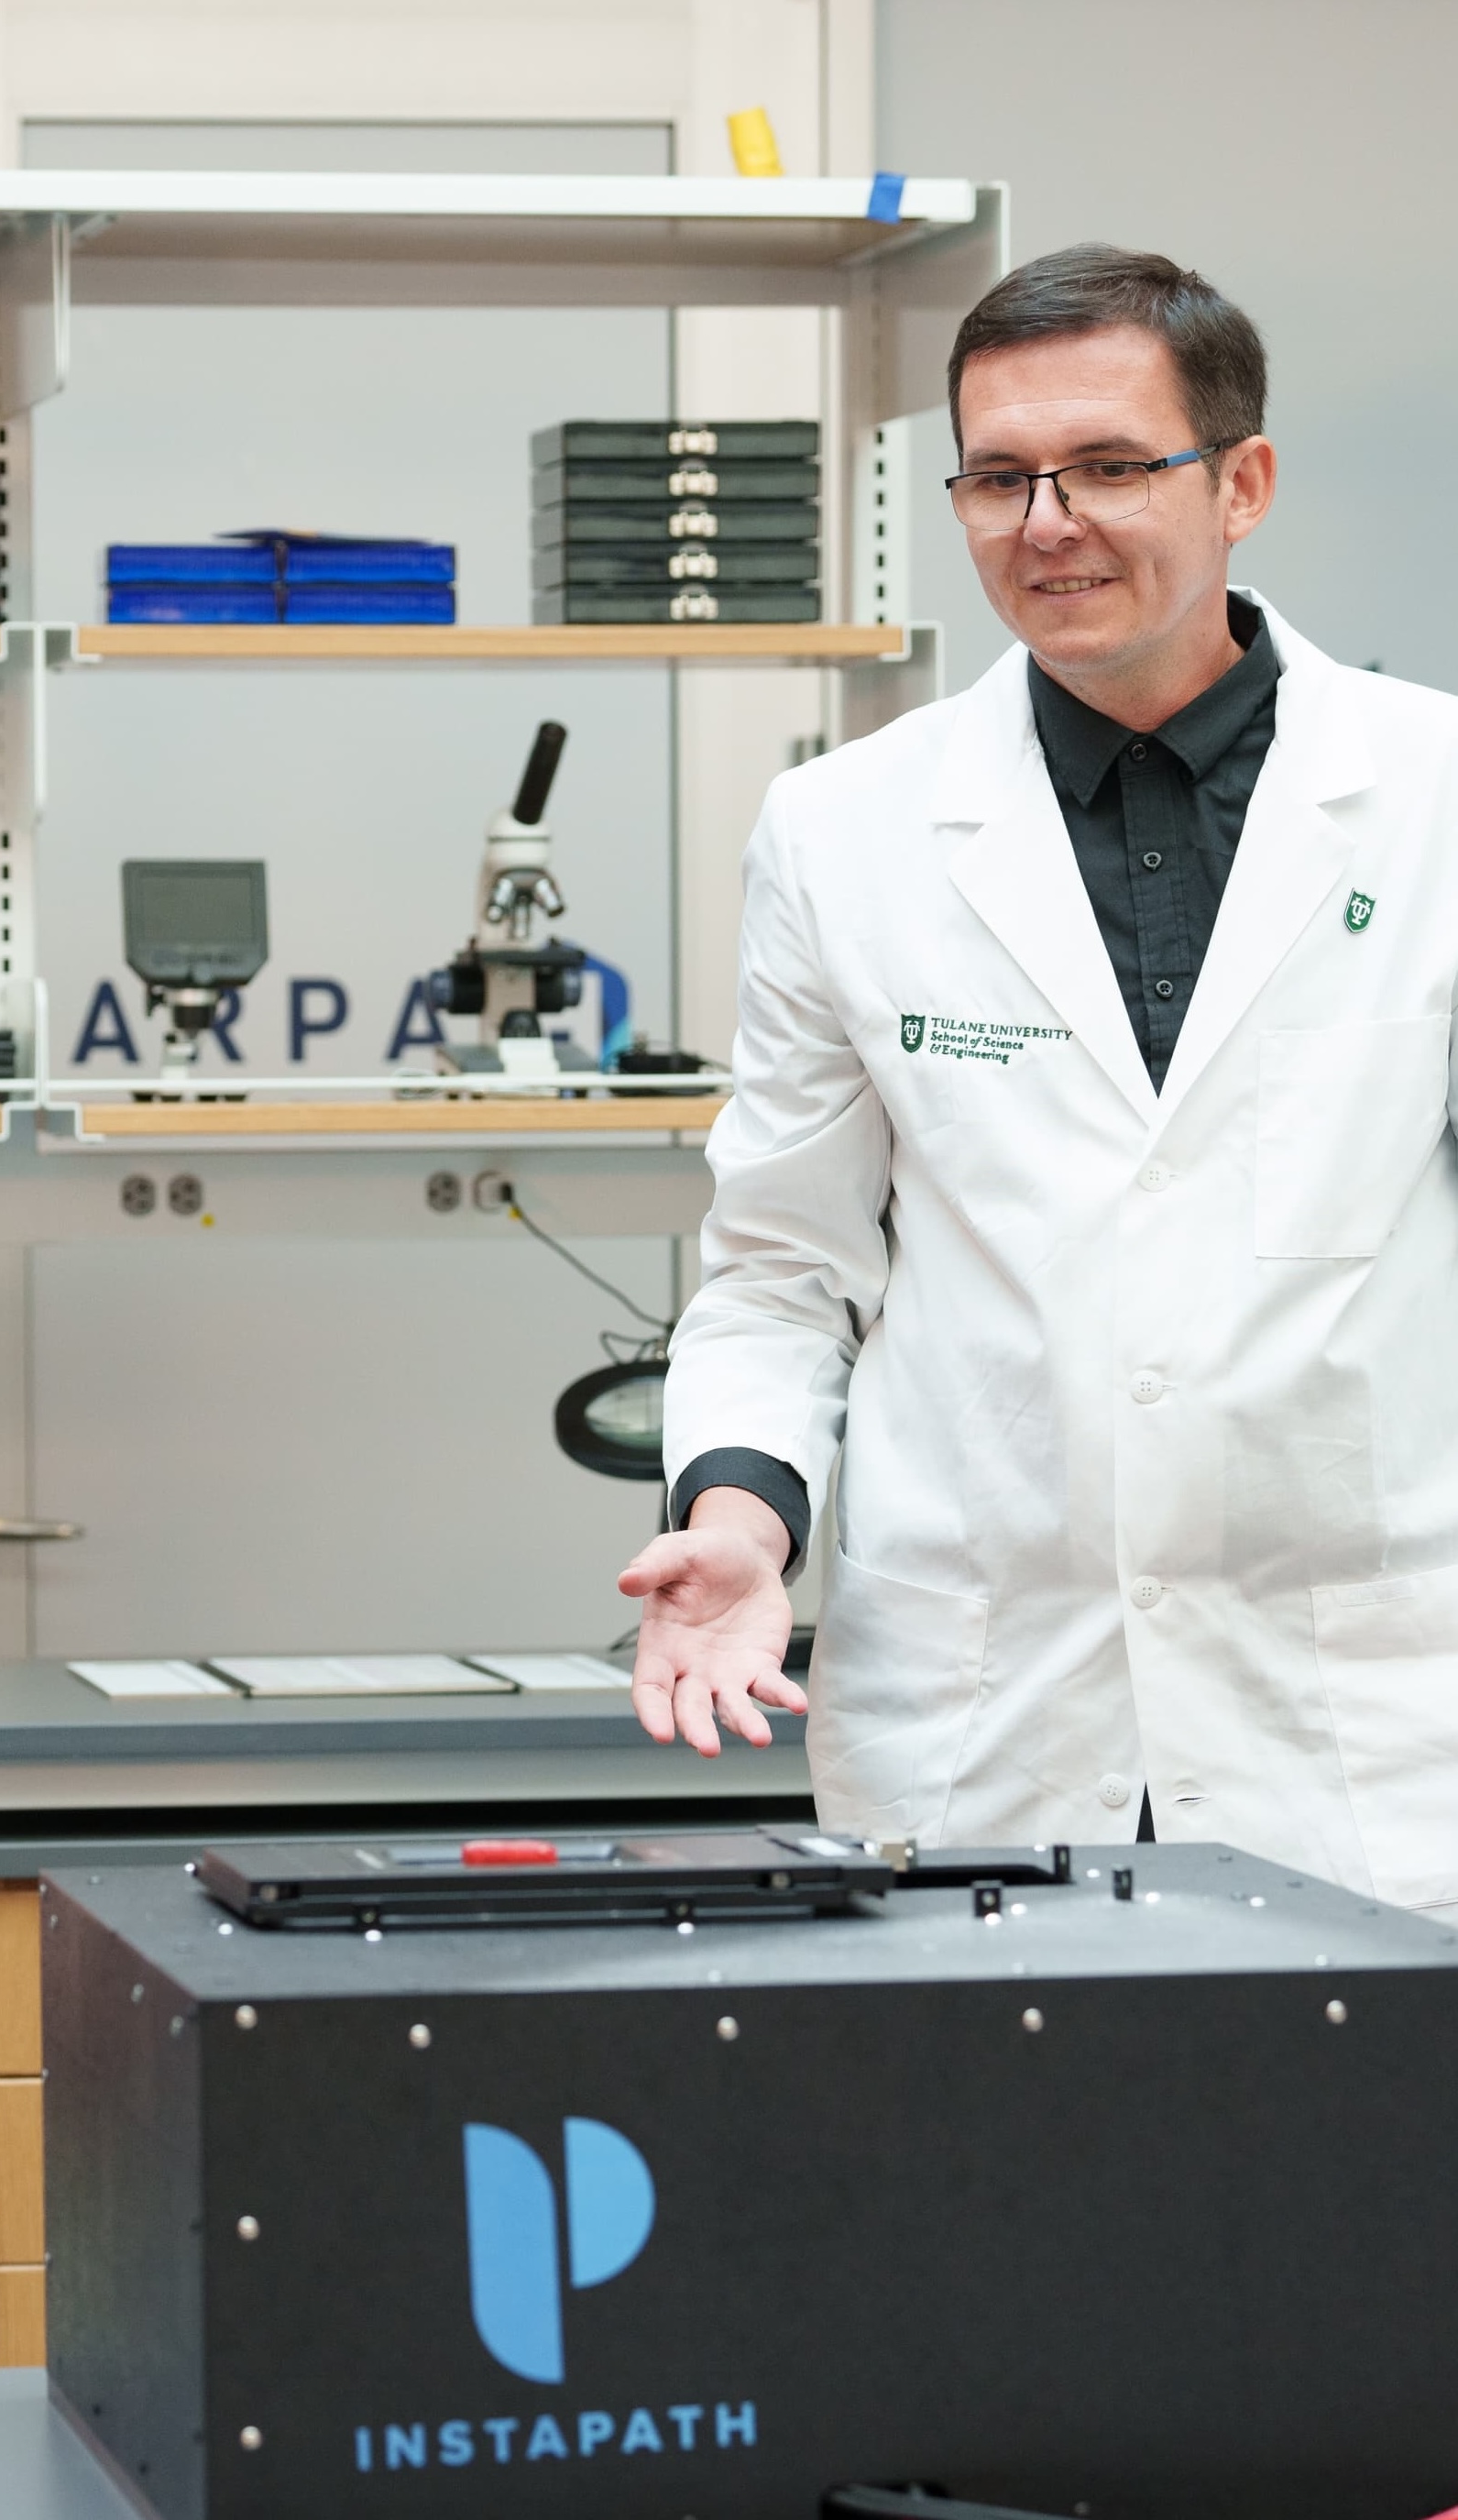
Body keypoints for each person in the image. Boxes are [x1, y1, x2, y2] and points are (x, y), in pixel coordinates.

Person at [626, 244, 1458, 1911]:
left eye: (1104, 467)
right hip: (986, 1715)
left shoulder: (1434, 795)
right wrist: (740, 1512)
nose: (1045, 520)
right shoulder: (844, 829)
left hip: (1370, 1723)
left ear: (1244, 484)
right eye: (997, 477)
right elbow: (783, 1267)